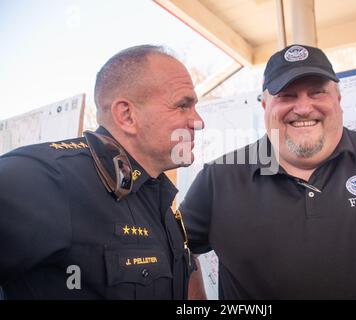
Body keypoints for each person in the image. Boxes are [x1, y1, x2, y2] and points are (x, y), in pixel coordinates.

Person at [180, 44, 356, 299]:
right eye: (287, 95)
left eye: (317, 92)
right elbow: (178, 250)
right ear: (265, 105)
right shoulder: (219, 179)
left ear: (338, 99)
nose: (303, 107)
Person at [0, 45, 204, 299]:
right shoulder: (46, 178)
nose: (198, 121)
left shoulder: (157, 193)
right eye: (183, 106)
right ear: (127, 115)